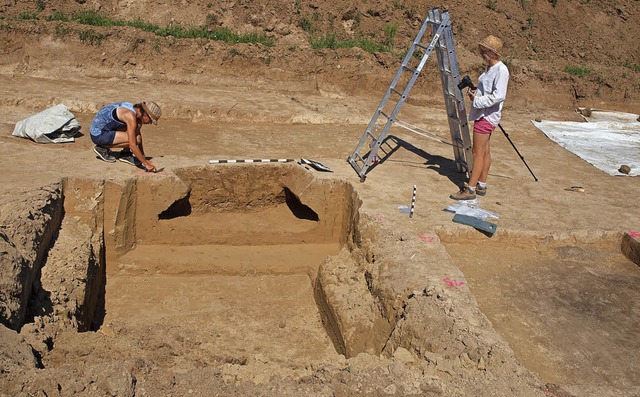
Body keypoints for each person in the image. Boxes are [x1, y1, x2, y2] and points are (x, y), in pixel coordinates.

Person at [450, 35, 509, 200]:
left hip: (486, 116)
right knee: (485, 151)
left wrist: (477, 100)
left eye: (483, 51)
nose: (481, 53)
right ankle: (482, 185)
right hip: (484, 113)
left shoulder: (501, 70)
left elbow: (499, 96)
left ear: (490, 52)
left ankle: (470, 189)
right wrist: (477, 94)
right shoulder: (490, 68)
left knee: (478, 154)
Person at [90, 101, 162, 173]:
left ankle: (125, 154)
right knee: (137, 139)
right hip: (98, 134)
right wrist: (146, 164)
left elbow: (137, 132)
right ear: (146, 114)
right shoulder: (130, 115)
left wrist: (143, 156)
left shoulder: (134, 110)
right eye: (150, 121)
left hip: (107, 129)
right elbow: (132, 145)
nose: (150, 123)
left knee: (136, 130)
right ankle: (102, 148)